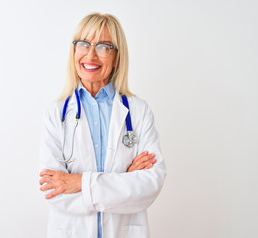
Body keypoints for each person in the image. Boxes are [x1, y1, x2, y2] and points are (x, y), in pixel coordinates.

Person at [39, 13, 166, 238]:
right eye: (84, 44)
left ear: (116, 56)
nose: (90, 54)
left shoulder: (138, 112)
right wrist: (124, 181)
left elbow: (149, 186)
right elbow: (53, 191)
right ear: (74, 50)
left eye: (103, 47)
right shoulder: (56, 114)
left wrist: (78, 182)